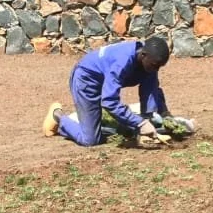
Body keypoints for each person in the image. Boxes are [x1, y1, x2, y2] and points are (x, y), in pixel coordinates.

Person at [43, 37, 172, 147]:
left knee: (128, 127)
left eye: (160, 66)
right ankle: (58, 117)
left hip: (104, 78)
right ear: (143, 55)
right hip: (87, 79)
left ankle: (121, 125)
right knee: (91, 140)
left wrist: (161, 116)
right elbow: (109, 101)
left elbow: (150, 91)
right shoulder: (122, 62)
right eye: (155, 65)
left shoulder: (149, 63)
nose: (157, 69)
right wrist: (140, 123)